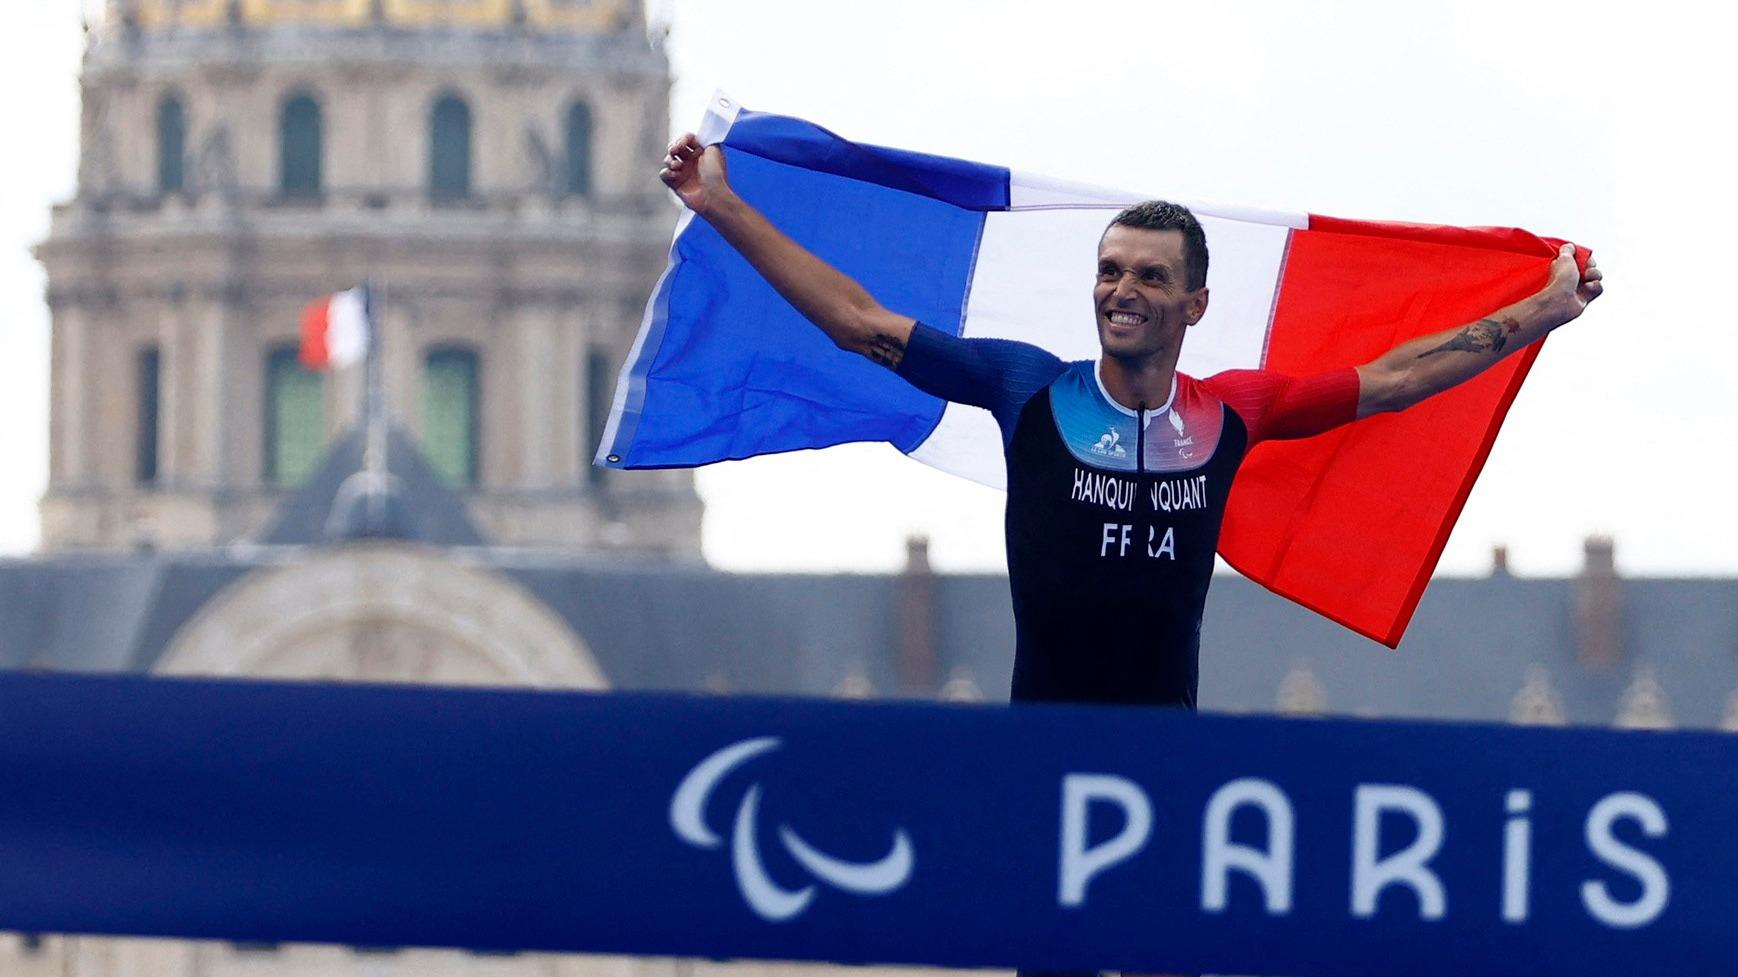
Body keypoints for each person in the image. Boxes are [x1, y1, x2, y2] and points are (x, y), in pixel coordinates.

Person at [658, 132, 1602, 710]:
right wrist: (725, 205)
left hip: (1166, 767)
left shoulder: (1235, 409)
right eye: (1111, 270)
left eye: (1151, 275)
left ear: (1193, 303)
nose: (1123, 290)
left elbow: (1395, 377)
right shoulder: (1027, 386)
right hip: (1042, 756)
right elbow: (859, 322)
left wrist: (1541, 313)